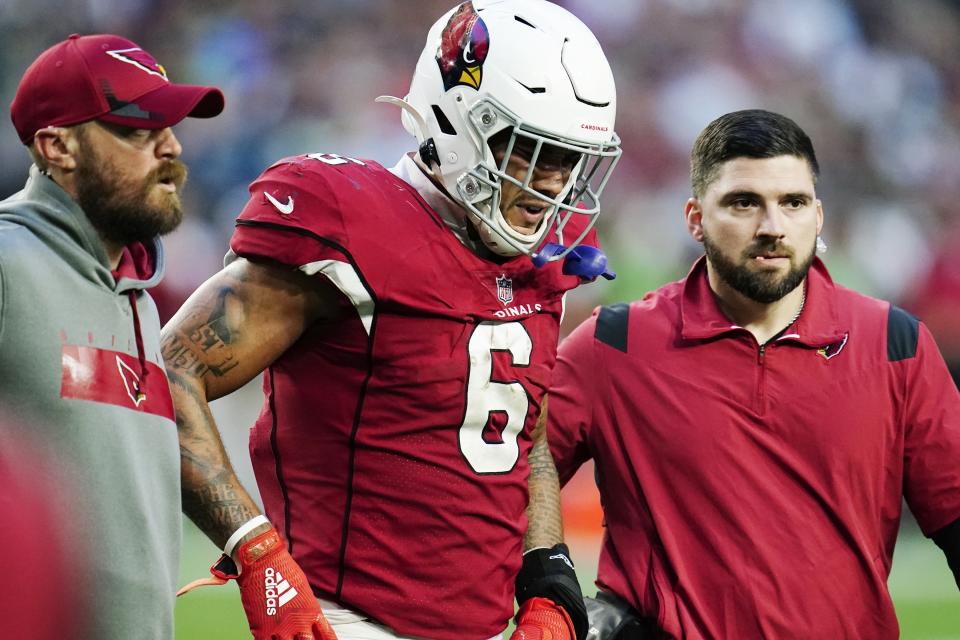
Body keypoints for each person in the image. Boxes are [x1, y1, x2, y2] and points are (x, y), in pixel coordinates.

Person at [164, 1, 621, 639]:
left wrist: (547, 574)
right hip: (345, 621)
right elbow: (167, 376)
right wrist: (257, 554)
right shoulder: (353, 219)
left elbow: (524, 430)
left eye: (570, 160)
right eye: (530, 151)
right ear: (459, 122)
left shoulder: (546, 255)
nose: (554, 184)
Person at [547, 109, 960, 639]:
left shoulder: (894, 344)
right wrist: (549, 584)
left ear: (818, 216)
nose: (772, 227)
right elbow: (504, 480)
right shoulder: (615, 345)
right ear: (695, 218)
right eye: (744, 203)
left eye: (792, 203)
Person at [0, 34, 223, 639]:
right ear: (58, 146)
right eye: (137, 129)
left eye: (171, 127)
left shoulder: (141, 302)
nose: (171, 146)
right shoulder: (8, 261)